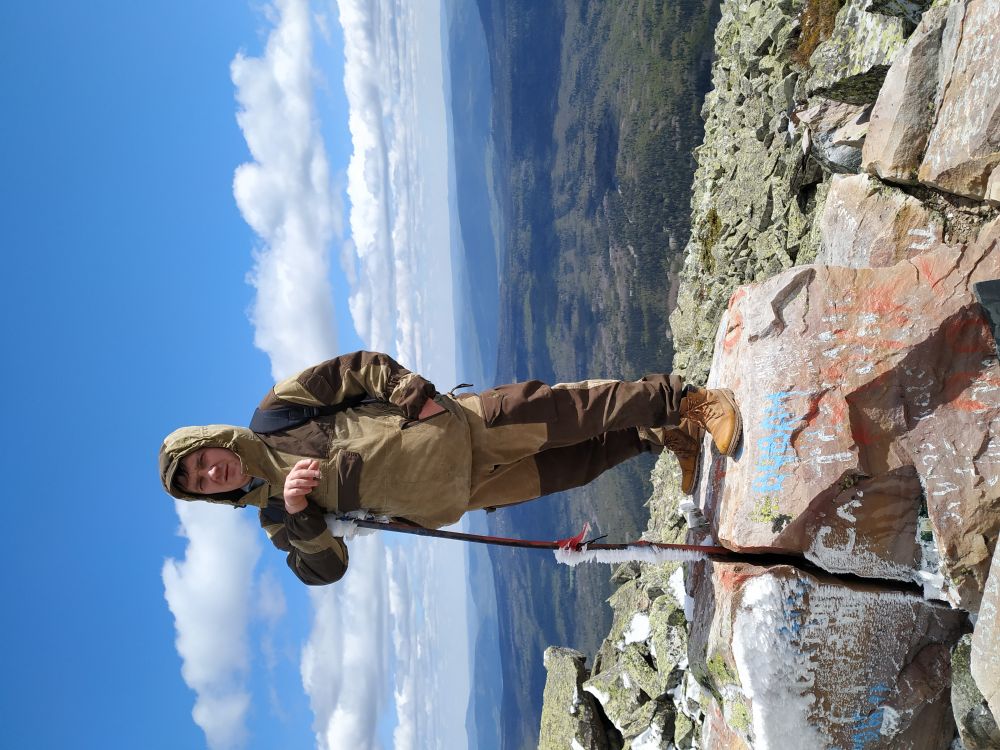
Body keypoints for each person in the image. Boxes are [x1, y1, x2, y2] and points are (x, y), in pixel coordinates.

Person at [159, 351, 741, 585]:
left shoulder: (276, 414)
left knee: (573, 413)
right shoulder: (275, 520)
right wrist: (299, 512)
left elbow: (356, 370)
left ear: (211, 442)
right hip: (457, 496)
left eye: (201, 462)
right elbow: (324, 570)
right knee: (575, 465)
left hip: (460, 428)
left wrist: (416, 398)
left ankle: (686, 400)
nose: (211, 474)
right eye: (200, 484)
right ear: (208, 497)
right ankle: (660, 437)